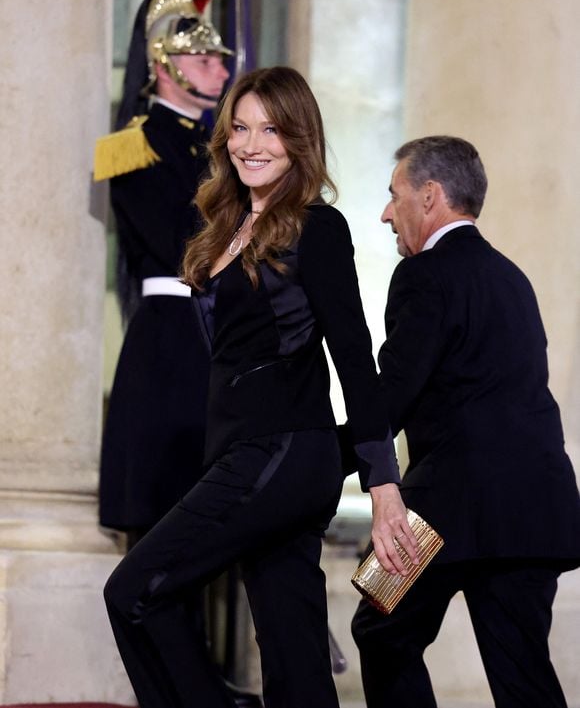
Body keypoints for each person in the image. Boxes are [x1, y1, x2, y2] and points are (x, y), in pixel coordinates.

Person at [103, 66, 419, 708]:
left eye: (271, 129)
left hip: (278, 454)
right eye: (241, 127)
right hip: (248, 454)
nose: (252, 143)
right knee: (294, 653)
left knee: (133, 592)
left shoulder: (316, 226)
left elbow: (356, 362)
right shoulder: (221, 227)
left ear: (299, 138)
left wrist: (384, 487)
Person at [351, 135, 580, 708]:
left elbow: (391, 395)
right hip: (534, 507)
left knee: (379, 628)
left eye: (393, 194)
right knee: (522, 670)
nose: (385, 212)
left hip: (444, 506)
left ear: (429, 197)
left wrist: (314, 457)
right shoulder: (511, 277)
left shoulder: (423, 274)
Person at [94, 0, 232, 544]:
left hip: (222, 331)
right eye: (205, 61)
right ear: (165, 68)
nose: (221, 69)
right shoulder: (129, 147)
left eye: (220, 59)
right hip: (172, 335)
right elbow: (180, 237)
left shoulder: (223, 143)